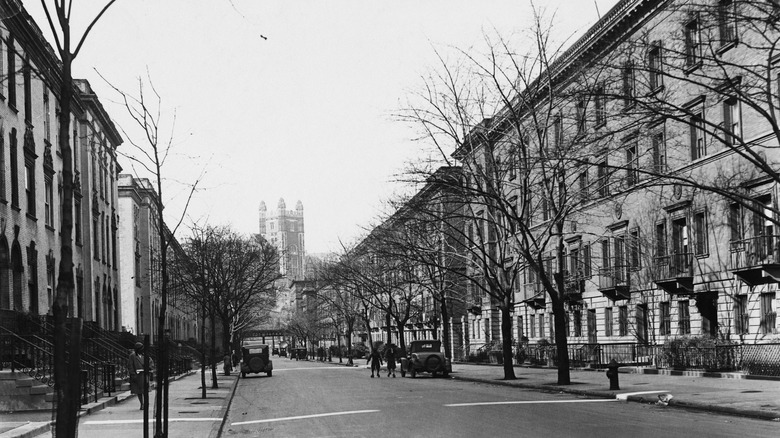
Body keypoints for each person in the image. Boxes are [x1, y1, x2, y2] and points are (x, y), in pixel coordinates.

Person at [128, 342, 154, 410]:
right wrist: (133, 374)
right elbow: (130, 366)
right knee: (139, 391)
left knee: (145, 391)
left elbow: (151, 363)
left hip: (144, 375)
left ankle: (146, 404)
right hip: (137, 375)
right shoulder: (132, 356)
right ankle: (141, 404)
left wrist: (149, 368)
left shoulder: (145, 355)